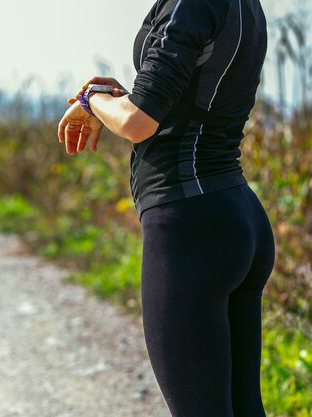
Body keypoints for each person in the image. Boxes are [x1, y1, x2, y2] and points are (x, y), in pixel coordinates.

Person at [57, 0, 275, 416]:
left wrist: (91, 98)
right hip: (235, 213)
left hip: (190, 226)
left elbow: (139, 123)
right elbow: (186, 102)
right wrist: (119, 98)